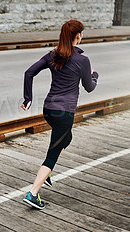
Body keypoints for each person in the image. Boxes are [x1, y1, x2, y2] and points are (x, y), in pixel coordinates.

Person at [21, 19, 98, 210]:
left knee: (66, 138)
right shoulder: (83, 61)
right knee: (52, 154)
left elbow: (29, 73)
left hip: (49, 110)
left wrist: (27, 98)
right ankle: (33, 194)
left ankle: (46, 173)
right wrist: (95, 75)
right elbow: (89, 87)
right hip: (64, 113)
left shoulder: (53, 55)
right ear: (78, 36)